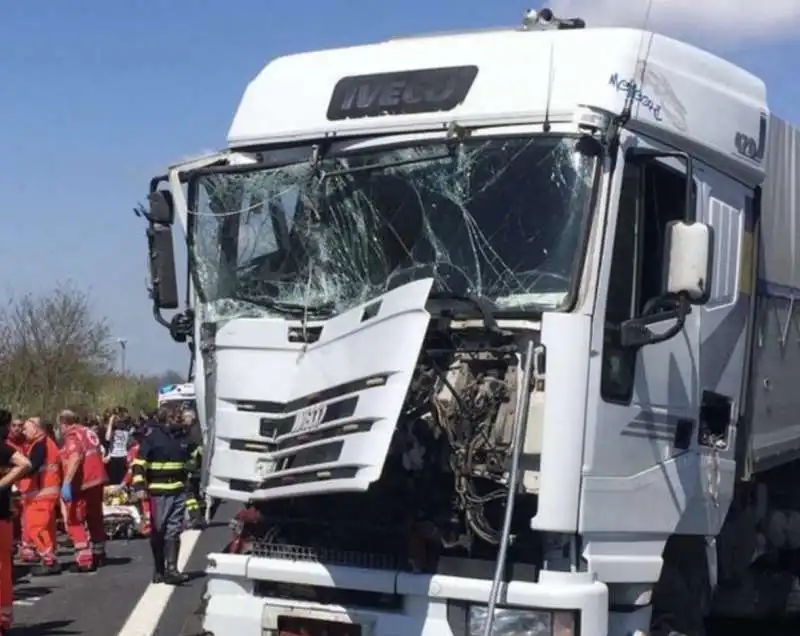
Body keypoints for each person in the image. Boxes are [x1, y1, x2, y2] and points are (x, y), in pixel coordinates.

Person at [131, 407, 192, 584]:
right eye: (175, 417)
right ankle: (159, 568)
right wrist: (139, 485)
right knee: (159, 531)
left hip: (178, 490)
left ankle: (172, 570)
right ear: (166, 420)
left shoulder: (182, 438)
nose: (179, 420)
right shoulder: (152, 438)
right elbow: (139, 464)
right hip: (159, 493)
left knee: (174, 530)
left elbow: (191, 457)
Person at [58, 409, 109, 572]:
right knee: (95, 517)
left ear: (64, 424)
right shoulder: (88, 432)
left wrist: (66, 482)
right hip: (97, 479)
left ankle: (84, 558)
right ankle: (99, 552)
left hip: (83, 482)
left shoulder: (73, 435)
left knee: (74, 518)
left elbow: (75, 457)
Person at [0, 409, 33, 635]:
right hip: (1, 515)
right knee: (2, 568)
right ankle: (2, 620)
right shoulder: (4, 447)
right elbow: (25, 464)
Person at [21, 417, 62, 576]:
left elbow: (32, 466)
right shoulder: (48, 443)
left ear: (36, 428)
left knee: (35, 528)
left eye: (26, 428)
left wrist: (14, 473)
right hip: (47, 492)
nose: (24, 432)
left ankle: (48, 559)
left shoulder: (40, 445)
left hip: (40, 493)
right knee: (46, 528)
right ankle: (50, 558)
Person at [5, 419, 35, 565]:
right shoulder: (7, 444)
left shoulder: (26, 442)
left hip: (24, 485)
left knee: (24, 517)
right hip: (11, 485)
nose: (17, 429)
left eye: (20, 426)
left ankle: (23, 545)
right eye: (14, 426)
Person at [180, 409, 204, 529]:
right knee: (194, 494)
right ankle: (198, 517)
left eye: (185, 418)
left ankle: (196, 517)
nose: (184, 420)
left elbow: (196, 452)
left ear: (191, 418)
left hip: (193, 468)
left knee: (189, 494)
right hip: (197, 468)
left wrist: (189, 467)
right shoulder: (196, 429)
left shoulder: (194, 432)